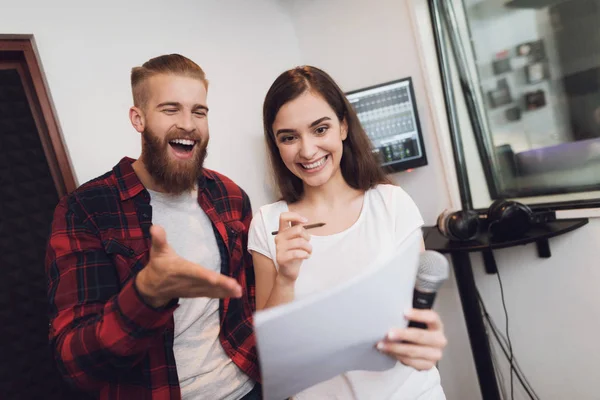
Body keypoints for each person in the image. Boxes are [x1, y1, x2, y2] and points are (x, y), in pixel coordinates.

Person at [45, 54, 260, 400]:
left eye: (199, 111)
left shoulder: (229, 196)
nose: (188, 124)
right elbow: (74, 364)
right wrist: (145, 296)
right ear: (138, 118)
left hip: (248, 387)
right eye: (170, 109)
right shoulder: (85, 210)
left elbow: (250, 304)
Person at [248, 66, 447, 399]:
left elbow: (419, 320)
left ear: (342, 126)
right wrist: (285, 277)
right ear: (276, 144)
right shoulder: (268, 222)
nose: (308, 151)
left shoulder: (391, 204)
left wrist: (425, 340)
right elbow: (271, 360)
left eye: (320, 129)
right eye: (289, 137)